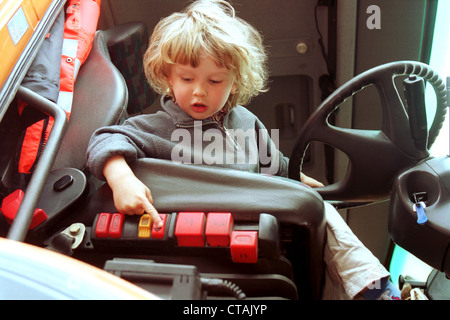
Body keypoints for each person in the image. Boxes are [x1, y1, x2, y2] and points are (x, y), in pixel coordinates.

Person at [86, 0, 400, 300]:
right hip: (206, 227)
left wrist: (297, 177)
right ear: (168, 77)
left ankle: (369, 288)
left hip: (257, 211)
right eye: (186, 78)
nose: (199, 90)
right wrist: (121, 179)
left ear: (235, 83)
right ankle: (372, 288)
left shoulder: (246, 121)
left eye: (215, 80)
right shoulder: (155, 127)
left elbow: (271, 163)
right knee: (321, 214)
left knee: (318, 217)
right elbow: (105, 139)